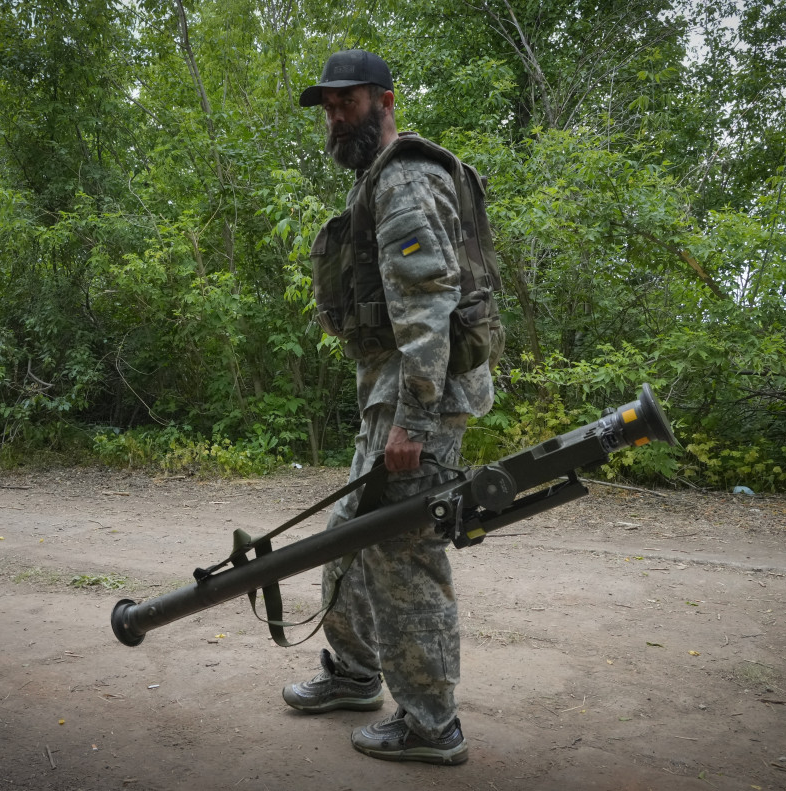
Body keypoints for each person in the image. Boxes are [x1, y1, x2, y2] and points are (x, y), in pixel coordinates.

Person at [282, 49, 494, 766]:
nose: (336, 117)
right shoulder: (380, 179)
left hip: (416, 404)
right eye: (330, 108)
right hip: (392, 401)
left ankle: (433, 723)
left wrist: (414, 419)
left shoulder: (404, 181)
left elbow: (428, 309)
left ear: (386, 100)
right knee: (348, 534)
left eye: (348, 103)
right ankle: (353, 672)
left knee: (406, 558)